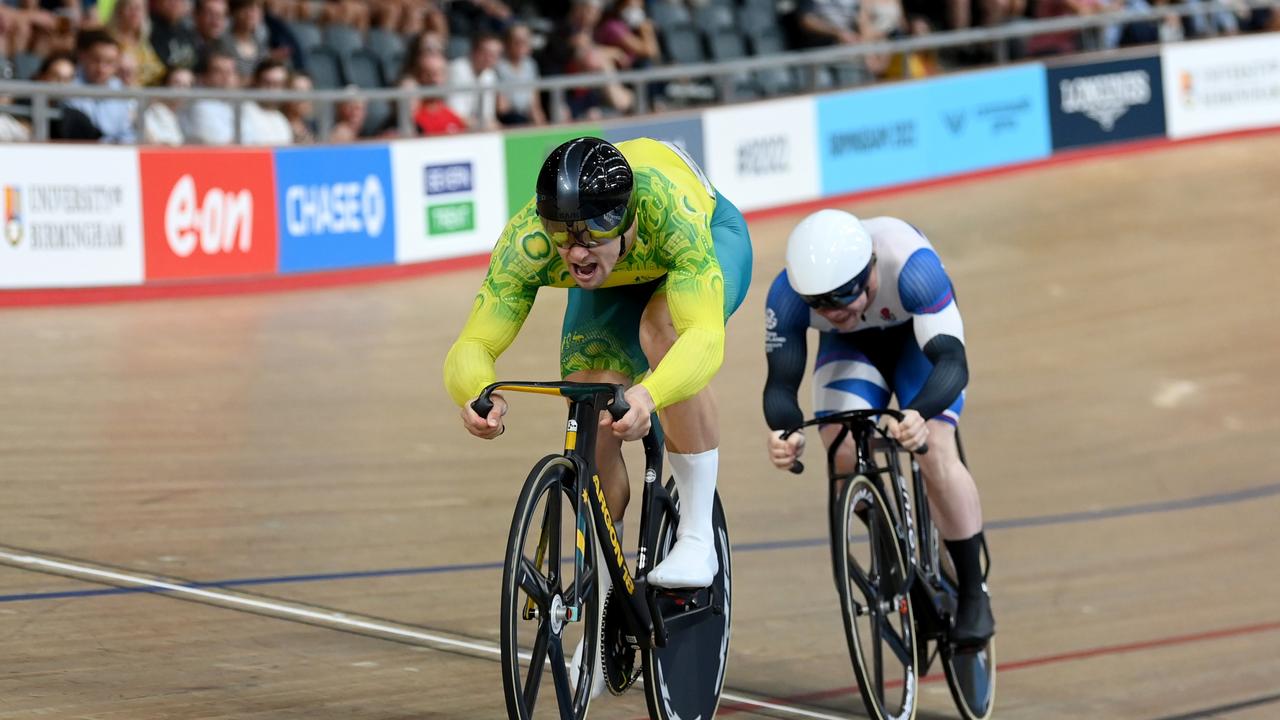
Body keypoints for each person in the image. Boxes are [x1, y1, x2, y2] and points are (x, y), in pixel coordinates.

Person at [443, 136, 752, 696]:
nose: (575, 252)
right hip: (623, 274)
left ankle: (698, 532)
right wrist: (474, 390)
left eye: (589, 235)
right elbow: (472, 343)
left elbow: (705, 340)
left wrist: (651, 396)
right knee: (589, 396)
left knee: (663, 331)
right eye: (563, 237)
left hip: (705, 243)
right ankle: (605, 602)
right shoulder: (532, 240)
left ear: (624, 217)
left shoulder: (667, 213)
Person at [762, 209, 994, 647]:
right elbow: (780, 382)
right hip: (851, 351)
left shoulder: (913, 269)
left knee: (935, 450)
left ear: (870, 270)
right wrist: (784, 430)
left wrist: (921, 414)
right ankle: (888, 533)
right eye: (821, 305)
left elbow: (951, 362)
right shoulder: (787, 295)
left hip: (915, 341)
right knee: (841, 448)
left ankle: (972, 592)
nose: (835, 312)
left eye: (844, 298)